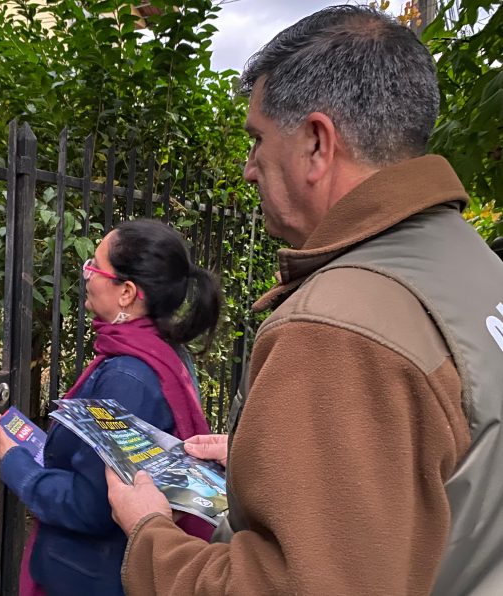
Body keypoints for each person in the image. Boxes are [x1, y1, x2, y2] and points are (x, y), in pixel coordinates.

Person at [106, 6, 503, 595]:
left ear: (317, 143)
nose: (248, 170)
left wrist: (151, 534)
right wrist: (261, 458)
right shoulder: (474, 269)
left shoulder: (339, 327)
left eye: (257, 140)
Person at [0, 219, 221, 596]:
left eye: (93, 266)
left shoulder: (128, 377)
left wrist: (18, 464)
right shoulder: (155, 352)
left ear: (126, 292)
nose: (86, 277)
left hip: (91, 575)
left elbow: (94, 504)